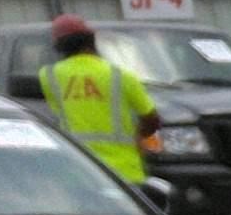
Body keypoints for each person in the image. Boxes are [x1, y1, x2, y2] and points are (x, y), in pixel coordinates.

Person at [38, 14, 158, 184]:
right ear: (91, 40)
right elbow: (152, 119)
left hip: (78, 171)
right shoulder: (121, 75)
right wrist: (140, 135)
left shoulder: (48, 76)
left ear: (59, 46)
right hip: (124, 173)